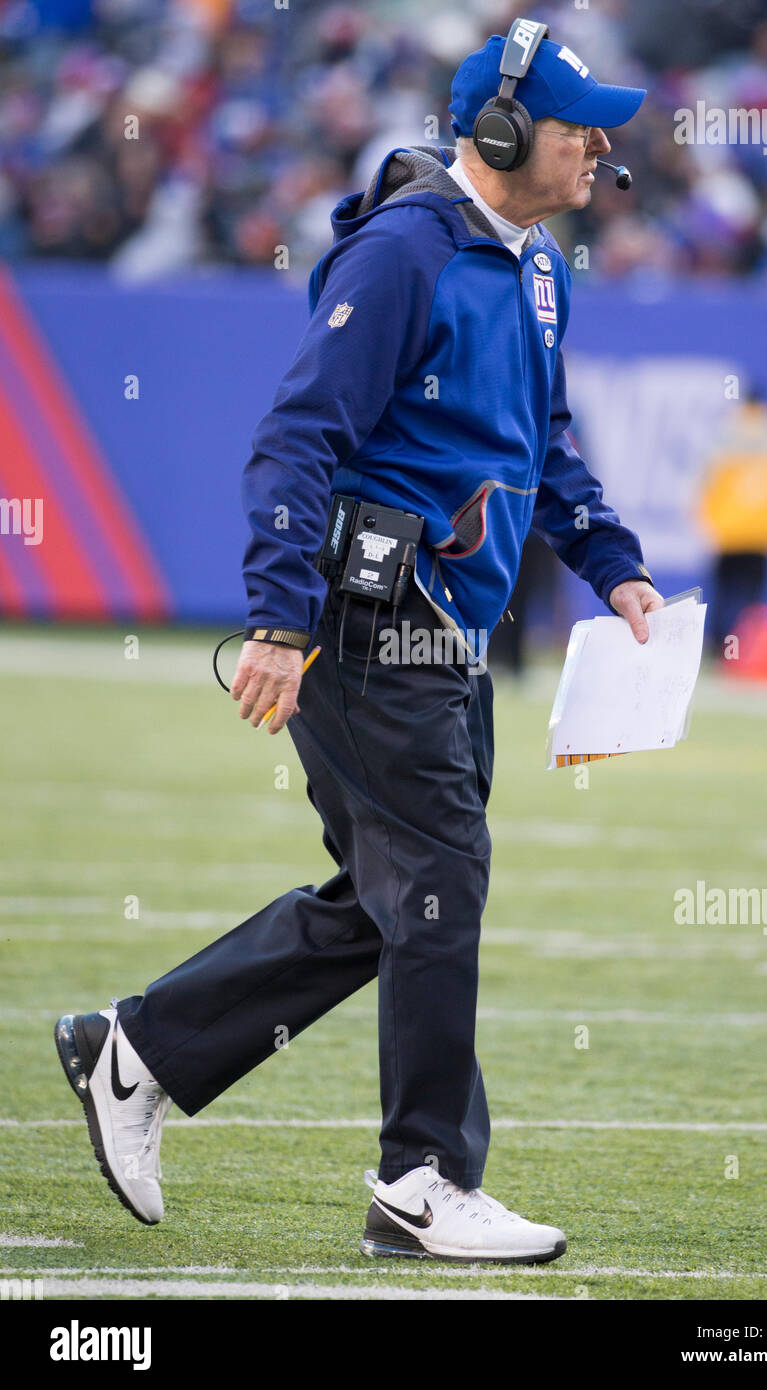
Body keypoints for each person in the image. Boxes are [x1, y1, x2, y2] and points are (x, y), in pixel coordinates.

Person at [55, 22, 662, 1265]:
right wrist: (280, 618)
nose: (598, 140)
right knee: (438, 885)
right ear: (497, 134)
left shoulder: (538, 265)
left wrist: (614, 564)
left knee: (397, 900)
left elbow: (539, 446)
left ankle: (142, 1048)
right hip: (373, 624)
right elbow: (294, 441)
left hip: (451, 634)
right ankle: (421, 1176)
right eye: (573, 120)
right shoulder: (401, 255)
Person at [696, 385, 767, 653]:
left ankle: (720, 651)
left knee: (723, 596)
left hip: (727, 532)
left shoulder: (724, 433)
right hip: (763, 533)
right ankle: (750, 653)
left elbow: (702, 484)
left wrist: (706, 524)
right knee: (755, 602)